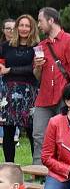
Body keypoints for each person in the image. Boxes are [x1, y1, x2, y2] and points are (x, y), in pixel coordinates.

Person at [32, 7, 70, 165]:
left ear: (51, 20)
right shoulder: (41, 45)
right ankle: (38, 172)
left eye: (40, 21)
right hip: (44, 97)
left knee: (65, 136)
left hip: (65, 97)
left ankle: (65, 170)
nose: (38, 25)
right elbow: (37, 76)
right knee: (39, 134)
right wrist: (38, 67)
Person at [0, 14, 39, 162]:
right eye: (21, 25)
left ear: (32, 28)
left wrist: (10, 70)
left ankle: (37, 169)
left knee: (31, 131)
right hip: (8, 92)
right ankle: (10, 166)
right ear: (16, 27)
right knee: (8, 131)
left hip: (29, 92)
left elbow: (34, 69)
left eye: (27, 26)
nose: (24, 29)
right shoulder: (5, 46)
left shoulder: (37, 47)